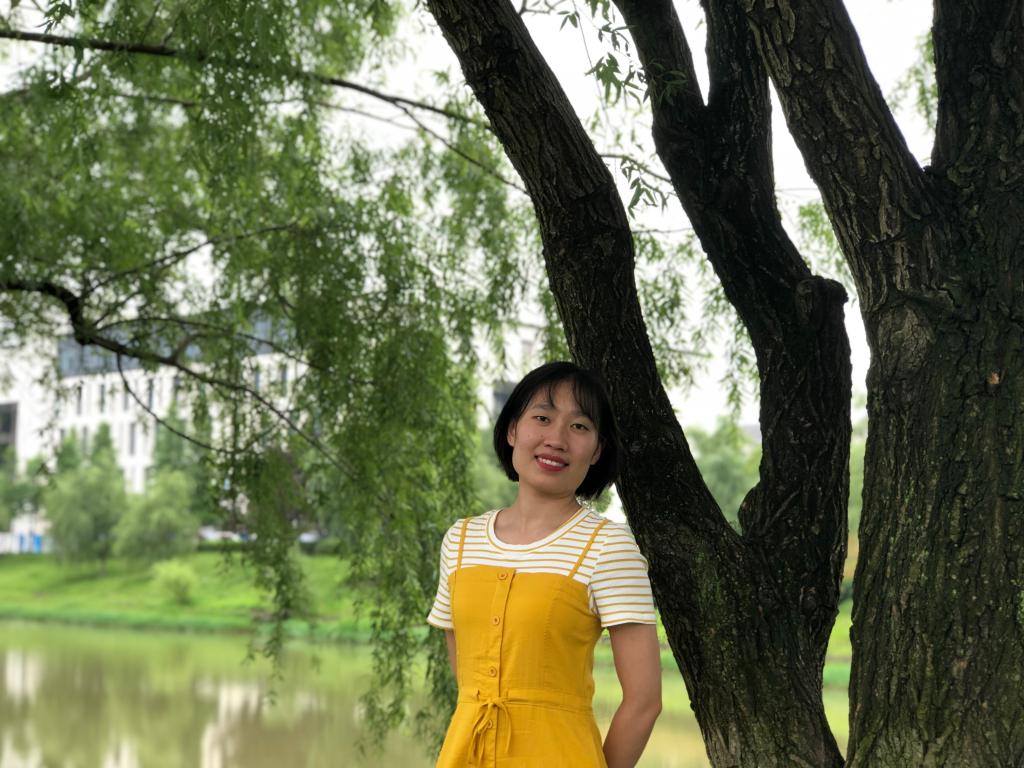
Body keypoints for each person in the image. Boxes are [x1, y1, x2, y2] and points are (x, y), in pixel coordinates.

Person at [427, 361, 662, 767]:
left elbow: (644, 702)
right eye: (542, 418)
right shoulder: (461, 541)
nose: (556, 438)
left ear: (597, 450)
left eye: (579, 426)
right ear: (512, 430)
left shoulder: (609, 548)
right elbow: (470, 683)